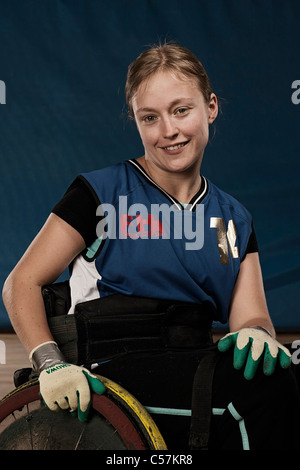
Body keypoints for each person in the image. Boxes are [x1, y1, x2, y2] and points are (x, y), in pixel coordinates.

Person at [2, 42, 300, 450]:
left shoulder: (231, 219)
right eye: (150, 118)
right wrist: (50, 365)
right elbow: (21, 283)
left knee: (282, 373)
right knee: (256, 395)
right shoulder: (101, 193)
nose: (169, 131)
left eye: (181, 110)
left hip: (193, 363)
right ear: (136, 122)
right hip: (110, 371)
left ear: (210, 107)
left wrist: (260, 336)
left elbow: (251, 320)